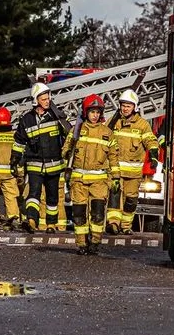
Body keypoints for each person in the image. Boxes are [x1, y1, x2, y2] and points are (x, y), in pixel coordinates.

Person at [62, 94, 119, 255]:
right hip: (78, 180)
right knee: (79, 214)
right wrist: (70, 148)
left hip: (99, 181)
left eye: (97, 112)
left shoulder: (107, 133)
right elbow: (65, 153)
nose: (94, 115)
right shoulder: (76, 131)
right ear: (86, 113)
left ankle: (95, 241)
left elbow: (113, 157)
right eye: (92, 112)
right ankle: (81, 244)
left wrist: (115, 178)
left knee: (98, 214)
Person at [12, 82, 68, 232]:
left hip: (54, 164)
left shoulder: (56, 117)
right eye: (43, 99)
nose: (47, 101)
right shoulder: (26, 119)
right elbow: (19, 141)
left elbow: (68, 136)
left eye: (48, 98)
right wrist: (14, 160)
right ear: (36, 100)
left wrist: (62, 119)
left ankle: (50, 224)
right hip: (34, 163)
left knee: (52, 197)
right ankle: (31, 220)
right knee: (33, 193)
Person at [106, 89, 158, 235]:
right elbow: (102, 136)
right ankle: (113, 224)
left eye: (128, 105)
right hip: (115, 170)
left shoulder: (142, 125)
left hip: (134, 173)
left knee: (131, 200)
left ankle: (126, 226)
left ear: (134, 107)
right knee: (114, 197)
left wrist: (153, 155)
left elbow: (151, 140)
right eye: (123, 105)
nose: (125, 108)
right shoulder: (113, 121)